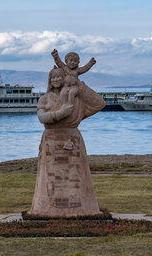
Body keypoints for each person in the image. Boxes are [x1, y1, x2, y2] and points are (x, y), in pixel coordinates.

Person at [27, 66, 105, 217]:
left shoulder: (75, 98)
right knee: (51, 181)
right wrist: (60, 113)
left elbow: (99, 103)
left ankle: (77, 211)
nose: (56, 80)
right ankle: (49, 210)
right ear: (50, 80)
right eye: (53, 77)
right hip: (51, 142)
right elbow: (42, 117)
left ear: (65, 79)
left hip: (71, 141)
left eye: (59, 77)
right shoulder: (44, 99)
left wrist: (79, 85)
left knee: (74, 179)